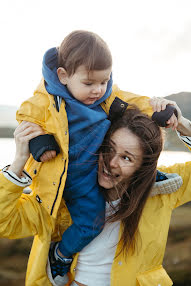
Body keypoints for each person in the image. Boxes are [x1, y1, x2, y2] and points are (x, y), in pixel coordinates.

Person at [15, 30, 178, 284]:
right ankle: (61, 255)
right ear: (63, 75)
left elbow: (131, 100)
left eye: (104, 81)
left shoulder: (106, 96)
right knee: (91, 224)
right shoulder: (45, 100)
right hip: (66, 182)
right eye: (89, 83)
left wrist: (157, 109)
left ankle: (149, 175)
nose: (98, 90)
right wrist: (40, 142)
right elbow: (27, 118)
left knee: (126, 173)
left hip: (95, 172)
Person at [0, 101, 190, 286]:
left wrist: (181, 123)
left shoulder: (164, 189)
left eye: (126, 157)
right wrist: (18, 164)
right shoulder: (61, 195)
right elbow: (5, 222)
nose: (111, 162)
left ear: (143, 167)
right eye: (109, 148)